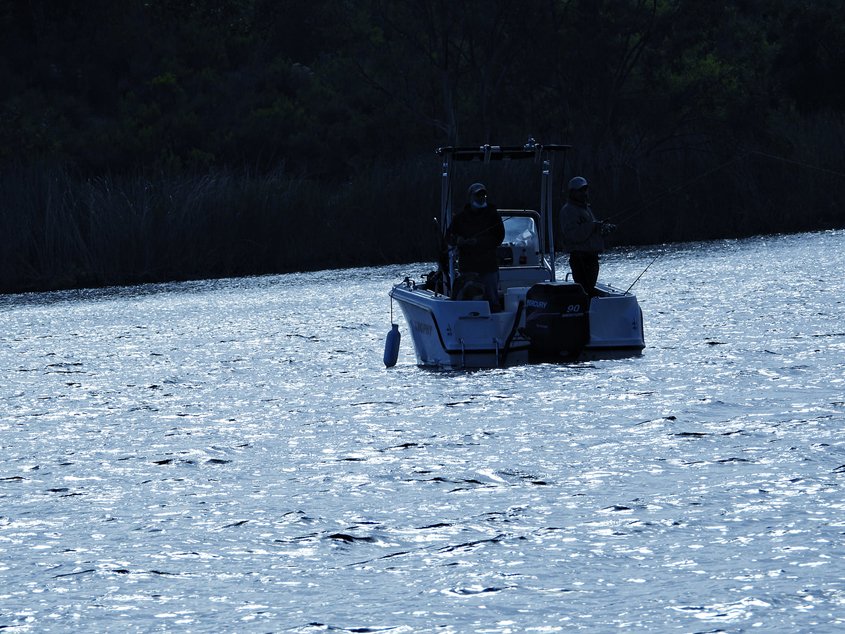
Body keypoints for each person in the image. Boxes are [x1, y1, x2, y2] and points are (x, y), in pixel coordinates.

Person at [446, 182, 505, 310]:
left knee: (492, 302)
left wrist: (478, 242)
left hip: (489, 266)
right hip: (468, 267)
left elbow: (499, 238)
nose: (481, 197)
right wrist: (458, 240)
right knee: (470, 302)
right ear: (470, 197)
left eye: (483, 195)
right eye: (478, 195)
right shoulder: (460, 218)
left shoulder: (493, 215)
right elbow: (449, 238)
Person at [558, 176, 615, 295]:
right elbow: (573, 235)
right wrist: (593, 226)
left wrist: (603, 229)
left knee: (589, 288)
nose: (584, 193)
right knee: (586, 290)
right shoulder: (568, 210)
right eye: (580, 190)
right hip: (580, 258)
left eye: (585, 190)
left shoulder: (586, 209)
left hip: (591, 257)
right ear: (572, 192)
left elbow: (590, 232)